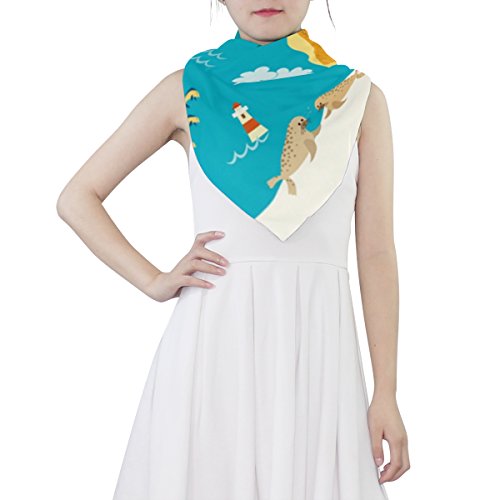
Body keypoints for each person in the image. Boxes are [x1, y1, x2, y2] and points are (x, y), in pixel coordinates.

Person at [57, 0, 410, 498]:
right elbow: (78, 198)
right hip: (213, 348)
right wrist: (153, 280)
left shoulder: (358, 100)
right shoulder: (188, 90)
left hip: (318, 351)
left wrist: (386, 392)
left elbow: (375, 252)